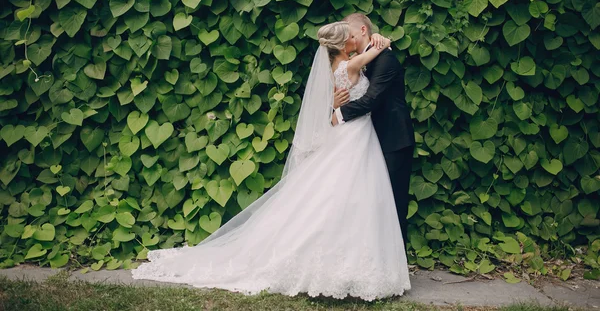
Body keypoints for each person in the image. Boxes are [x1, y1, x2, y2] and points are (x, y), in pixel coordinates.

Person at [131, 21, 411, 301]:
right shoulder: (350, 65)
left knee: (342, 197)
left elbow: (342, 95)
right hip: (353, 136)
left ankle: (350, 262)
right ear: (341, 44)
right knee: (348, 197)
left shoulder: (335, 67)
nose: (352, 38)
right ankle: (346, 264)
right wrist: (382, 40)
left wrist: (337, 107)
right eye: (348, 36)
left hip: (354, 135)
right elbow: (378, 52)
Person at [332, 13, 415, 248]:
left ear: (361, 31)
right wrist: (336, 103)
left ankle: (397, 266)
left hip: (393, 139)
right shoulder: (364, 58)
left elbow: (372, 99)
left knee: (394, 203)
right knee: (373, 203)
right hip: (370, 140)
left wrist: (338, 115)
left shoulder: (385, 59)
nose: (346, 38)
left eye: (349, 32)